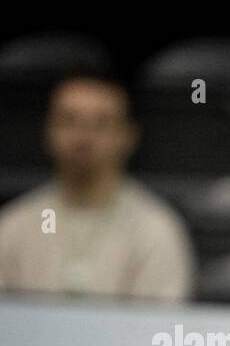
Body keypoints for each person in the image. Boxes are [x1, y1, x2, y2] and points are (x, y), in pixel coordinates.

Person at [0, 74, 195, 303]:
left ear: (128, 136)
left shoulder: (156, 229)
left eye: (101, 123)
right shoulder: (13, 226)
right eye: (69, 120)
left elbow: (155, 331)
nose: (83, 137)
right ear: (48, 130)